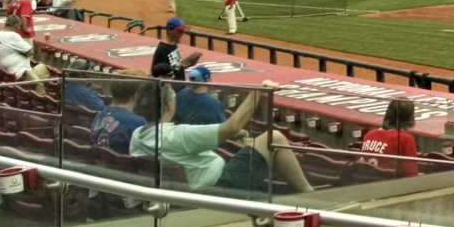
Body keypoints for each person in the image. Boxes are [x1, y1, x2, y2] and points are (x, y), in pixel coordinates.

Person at [128, 78, 315, 195]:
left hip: (191, 191)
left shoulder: (137, 135)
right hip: (220, 189)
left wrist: (239, 135)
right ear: (169, 104)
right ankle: (312, 197)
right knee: (274, 137)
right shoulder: (177, 136)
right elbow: (231, 127)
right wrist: (260, 91)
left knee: (249, 142)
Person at [358, 98, 419, 177]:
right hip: (389, 187)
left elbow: (358, 165)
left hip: (363, 185)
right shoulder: (406, 139)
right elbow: (411, 175)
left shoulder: (369, 134)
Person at [90, 75, 146, 154]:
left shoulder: (100, 114)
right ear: (136, 95)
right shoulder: (137, 122)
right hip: (123, 165)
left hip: (100, 163)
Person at [0, 14, 48, 82]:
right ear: (16, 25)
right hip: (19, 74)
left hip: (6, 72)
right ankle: (41, 91)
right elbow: (30, 52)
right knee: (43, 68)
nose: (19, 28)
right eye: (19, 26)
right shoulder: (12, 35)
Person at [151, 17, 202, 81]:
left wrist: (189, 62)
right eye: (179, 31)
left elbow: (175, 68)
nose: (182, 34)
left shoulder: (173, 44)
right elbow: (155, 72)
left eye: (183, 31)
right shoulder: (162, 48)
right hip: (172, 88)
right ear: (170, 30)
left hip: (179, 84)